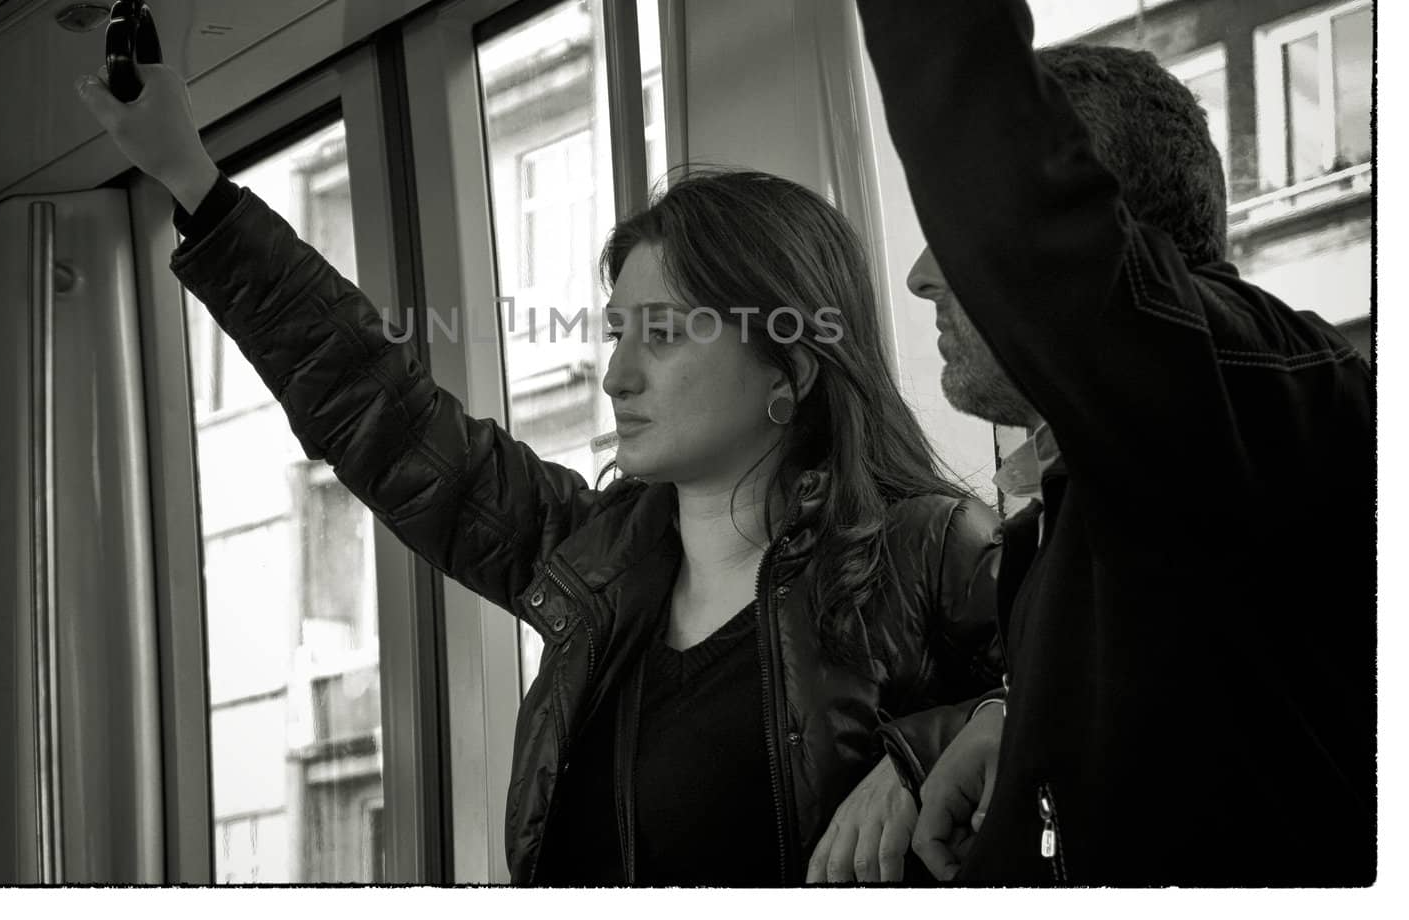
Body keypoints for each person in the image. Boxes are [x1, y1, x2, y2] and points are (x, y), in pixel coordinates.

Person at [76, 67, 1003, 885]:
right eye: (616, 332)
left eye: (665, 334)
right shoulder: (593, 558)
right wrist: (193, 182)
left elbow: (1100, 705)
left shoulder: (929, 553)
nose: (616, 374)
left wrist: (931, 752)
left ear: (789, 372)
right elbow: (384, 416)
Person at [803, 0, 1375, 886]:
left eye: (962, 237)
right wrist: (1006, 731)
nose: (924, 277)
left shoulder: (1252, 392)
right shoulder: (1107, 499)